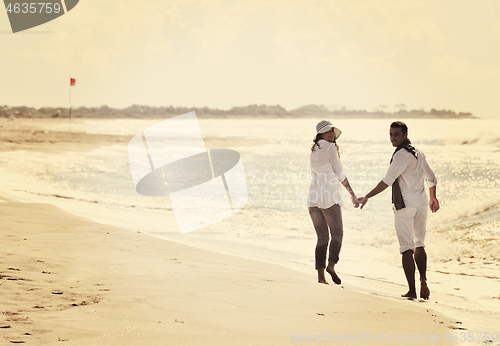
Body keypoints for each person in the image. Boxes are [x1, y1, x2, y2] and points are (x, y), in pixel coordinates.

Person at [357, 121, 439, 299]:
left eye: (396, 134)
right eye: (391, 134)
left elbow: (387, 180)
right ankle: (423, 281)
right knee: (420, 244)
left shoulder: (401, 155)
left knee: (406, 248)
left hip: (405, 207)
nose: (393, 138)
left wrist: (367, 196)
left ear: (405, 135)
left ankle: (412, 290)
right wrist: (433, 197)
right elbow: (432, 178)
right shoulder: (419, 153)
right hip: (421, 205)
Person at [308, 120, 358, 285]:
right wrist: (352, 194)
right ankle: (331, 266)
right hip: (329, 198)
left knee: (322, 238)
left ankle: (321, 277)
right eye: (328, 131)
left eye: (332, 132)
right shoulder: (329, 147)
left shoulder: (314, 149)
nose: (331, 134)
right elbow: (340, 173)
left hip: (313, 199)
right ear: (320, 133)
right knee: (337, 234)